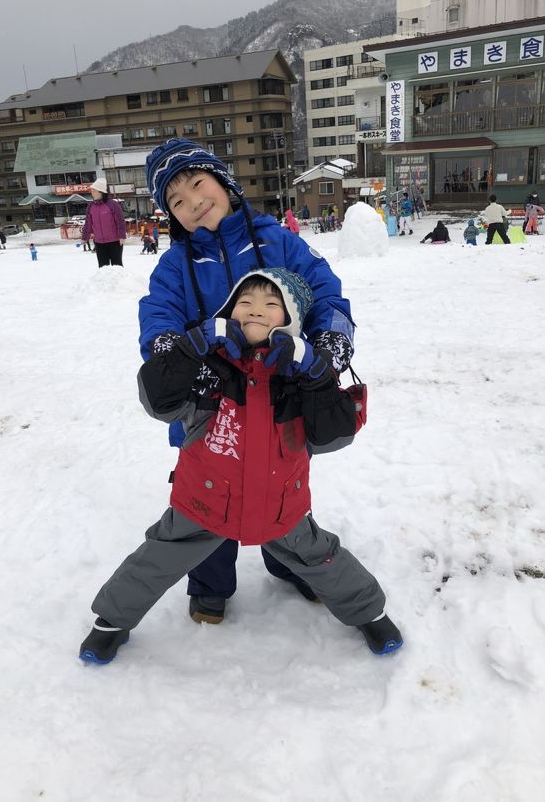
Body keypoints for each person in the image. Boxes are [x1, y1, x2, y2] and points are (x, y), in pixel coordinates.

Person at [79, 268, 402, 664]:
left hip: (280, 505)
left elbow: (333, 436)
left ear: (289, 321)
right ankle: (111, 622)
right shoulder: (208, 368)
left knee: (320, 556)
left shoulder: (299, 378)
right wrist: (189, 347)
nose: (255, 311)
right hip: (203, 503)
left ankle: (370, 612)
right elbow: (158, 401)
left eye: (271, 304)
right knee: (156, 558)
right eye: (244, 303)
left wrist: (318, 376)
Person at [138, 138, 356, 624]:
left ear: (224, 183)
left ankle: (291, 561)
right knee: (207, 497)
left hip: (282, 397)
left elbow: (325, 293)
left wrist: (329, 344)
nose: (193, 202)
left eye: (198, 184)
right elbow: (158, 320)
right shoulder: (175, 266)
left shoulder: (277, 240)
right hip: (212, 408)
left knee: (282, 488)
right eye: (176, 201)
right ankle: (210, 584)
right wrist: (179, 359)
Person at [82, 178, 126, 267]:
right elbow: (88, 224)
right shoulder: (91, 206)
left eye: (94, 190)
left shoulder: (113, 204)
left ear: (101, 191)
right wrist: (85, 237)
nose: (92, 192)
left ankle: (119, 281)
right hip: (99, 243)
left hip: (115, 241)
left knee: (117, 267)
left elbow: (120, 221)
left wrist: (122, 236)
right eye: (92, 190)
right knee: (102, 268)